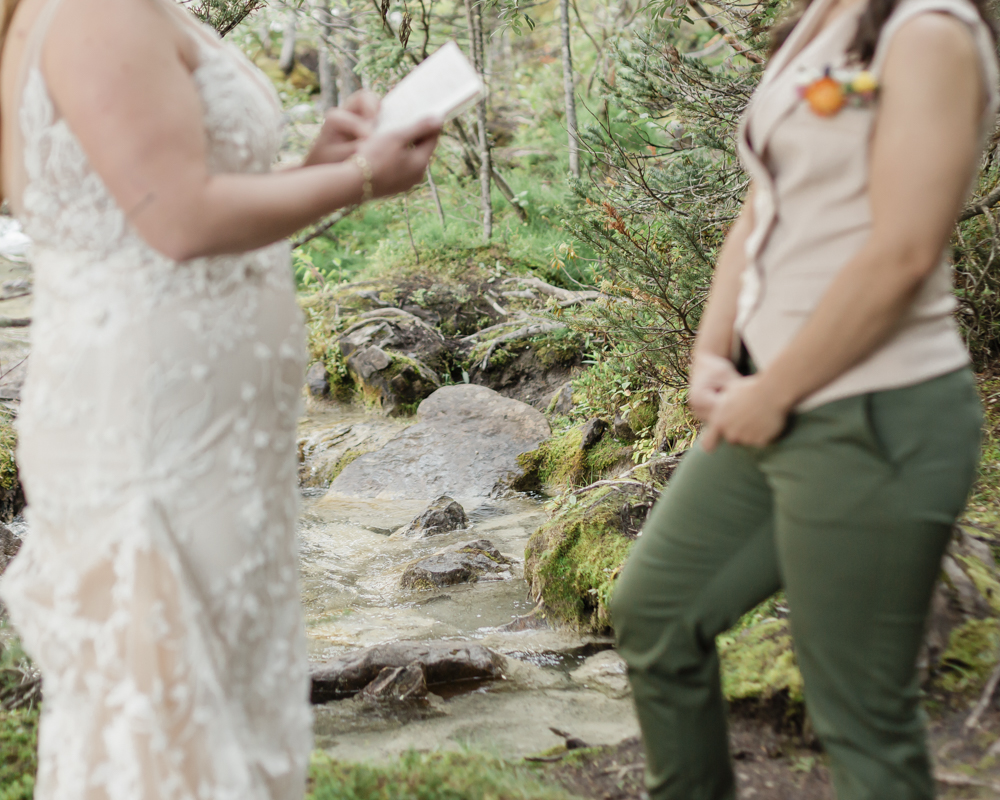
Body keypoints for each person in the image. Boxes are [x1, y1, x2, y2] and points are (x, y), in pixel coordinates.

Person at [0, 0, 440, 796]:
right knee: (167, 719)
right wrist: (363, 177)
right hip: (154, 427)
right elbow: (177, 221)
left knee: (216, 702)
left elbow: (156, 200)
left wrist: (315, 169)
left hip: (203, 430)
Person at [610, 0, 999, 796]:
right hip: (774, 400)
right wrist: (714, 350)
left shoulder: (929, 30)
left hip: (875, 414)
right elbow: (764, 202)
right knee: (657, 613)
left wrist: (775, 387)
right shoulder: (824, 14)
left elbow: (905, 249)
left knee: (859, 717)